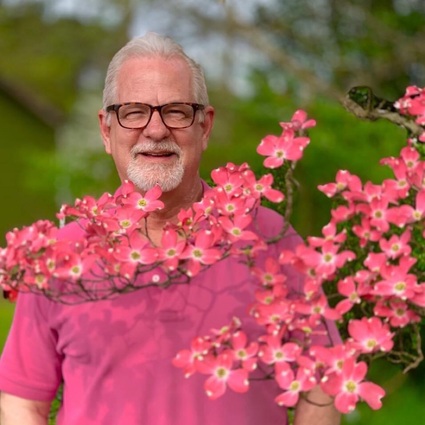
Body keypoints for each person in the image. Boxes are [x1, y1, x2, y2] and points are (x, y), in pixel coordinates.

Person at [0, 33, 341, 425]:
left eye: (176, 111)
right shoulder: (59, 257)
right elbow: (22, 405)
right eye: (133, 112)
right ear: (106, 130)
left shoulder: (269, 236)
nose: (156, 130)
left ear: (205, 126)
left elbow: (323, 382)